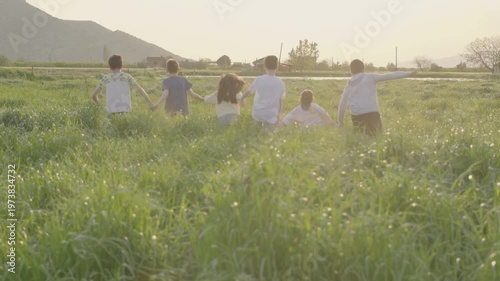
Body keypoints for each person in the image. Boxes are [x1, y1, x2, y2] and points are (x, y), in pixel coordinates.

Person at [338, 59, 416, 136]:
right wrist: (408, 74)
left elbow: (342, 105)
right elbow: (389, 76)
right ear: (363, 68)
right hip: (372, 114)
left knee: (361, 139)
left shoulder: (349, 85)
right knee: (377, 137)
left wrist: (340, 122)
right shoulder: (370, 77)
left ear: (351, 70)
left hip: (356, 117)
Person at [241, 55, 286, 131]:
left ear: (264, 66)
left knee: (255, 131)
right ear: (277, 67)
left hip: (258, 114)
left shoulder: (259, 79)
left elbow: (248, 92)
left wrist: (242, 98)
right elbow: (280, 102)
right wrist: (279, 116)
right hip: (271, 115)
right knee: (268, 134)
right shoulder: (281, 83)